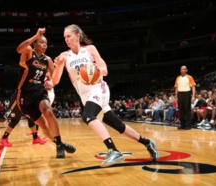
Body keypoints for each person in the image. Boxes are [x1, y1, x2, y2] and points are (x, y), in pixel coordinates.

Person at [47, 24, 158, 167]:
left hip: (99, 89)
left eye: (69, 36)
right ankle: (148, 143)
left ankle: (114, 151)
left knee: (87, 116)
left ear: (78, 36)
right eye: (64, 37)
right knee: (119, 126)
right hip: (86, 96)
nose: (66, 39)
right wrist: (58, 66)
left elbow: (105, 70)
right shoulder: (64, 56)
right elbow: (55, 80)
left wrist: (96, 69)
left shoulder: (90, 49)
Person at [14, 27, 75, 158]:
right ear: (35, 43)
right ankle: (61, 143)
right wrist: (36, 35)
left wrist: (51, 82)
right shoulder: (29, 53)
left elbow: (55, 77)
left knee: (47, 110)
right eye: (42, 42)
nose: (45, 45)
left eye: (46, 44)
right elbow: (18, 49)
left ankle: (58, 145)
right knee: (44, 127)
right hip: (24, 96)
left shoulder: (47, 60)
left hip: (39, 92)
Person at [174, 66, 196, 130]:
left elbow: (193, 86)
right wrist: (176, 96)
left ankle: (188, 125)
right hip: (180, 94)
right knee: (181, 110)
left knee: (187, 109)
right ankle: (182, 125)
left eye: (184, 69)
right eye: (181, 69)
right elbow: (176, 88)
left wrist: (193, 96)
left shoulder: (189, 77)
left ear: (186, 70)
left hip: (187, 93)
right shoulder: (178, 78)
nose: (182, 70)